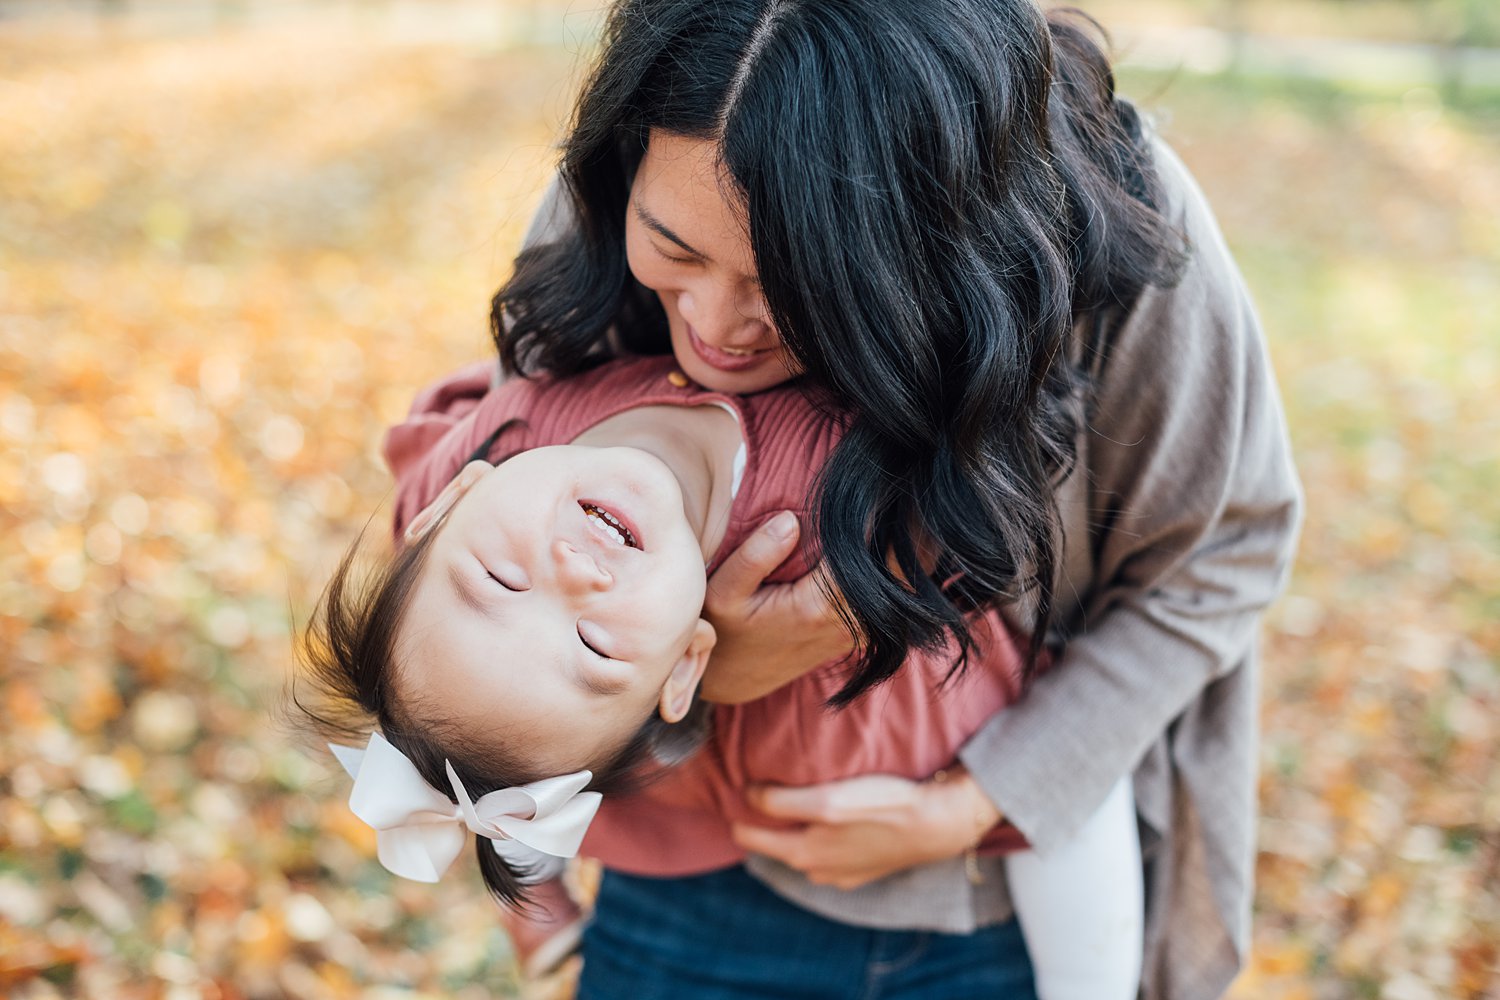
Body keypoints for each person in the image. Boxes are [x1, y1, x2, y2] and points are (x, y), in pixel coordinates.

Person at [481, 0, 1303, 997]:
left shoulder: (1112, 227)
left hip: (997, 905)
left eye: (791, 281)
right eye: (676, 251)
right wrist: (701, 668)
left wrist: (979, 802)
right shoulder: (612, 192)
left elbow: (1226, 553)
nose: (715, 324)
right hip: (687, 888)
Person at [303, 352, 1143, 999]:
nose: (573, 572)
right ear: (693, 667)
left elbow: (439, 449)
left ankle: (526, 850)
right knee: (1071, 807)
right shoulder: (813, 522)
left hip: (913, 743)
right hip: (880, 745)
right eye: (592, 641)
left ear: (453, 500)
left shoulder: (511, 429)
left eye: (502, 579)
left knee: (504, 725)